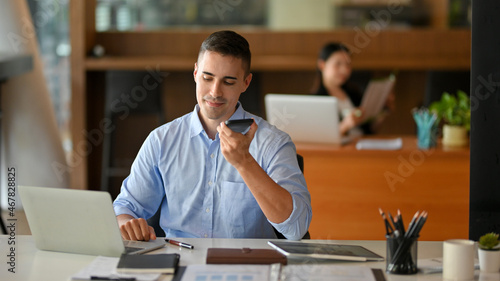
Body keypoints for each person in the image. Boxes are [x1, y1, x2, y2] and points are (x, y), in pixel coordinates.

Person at [113, 30, 312, 241]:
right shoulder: (162, 140)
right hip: (179, 261)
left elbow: (296, 229)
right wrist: (126, 224)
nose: (215, 92)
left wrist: (245, 163)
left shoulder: (273, 143)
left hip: (247, 265)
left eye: (228, 82)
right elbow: (126, 208)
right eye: (207, 78)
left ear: (246, 82)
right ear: (196, 73)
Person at [312, 42, 394, 136]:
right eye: (338, 64)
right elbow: (319, 137)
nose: (344, 70)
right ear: (322, 65)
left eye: (347, 65)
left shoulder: (354, 93)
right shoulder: (315, 101)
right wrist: (345, 126)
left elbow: (370, 129)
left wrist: (384, 110)